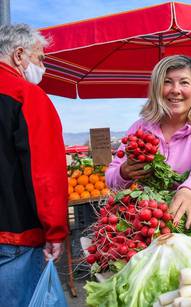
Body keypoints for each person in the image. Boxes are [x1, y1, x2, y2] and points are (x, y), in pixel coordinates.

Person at [106, 55, 191, 229]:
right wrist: (124, 172)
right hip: (148, 223)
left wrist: (190, 190)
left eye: (184, 82)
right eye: (167, 82)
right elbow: (111, 180)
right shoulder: (139, 129)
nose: (175, 90)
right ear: (156, 88)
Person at [0, 24, 68, 307]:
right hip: (15, 236)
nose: (43, 68)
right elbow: (45, 174)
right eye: (40, 59)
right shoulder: (25, 95)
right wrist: (56, 232)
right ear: (19, 55)